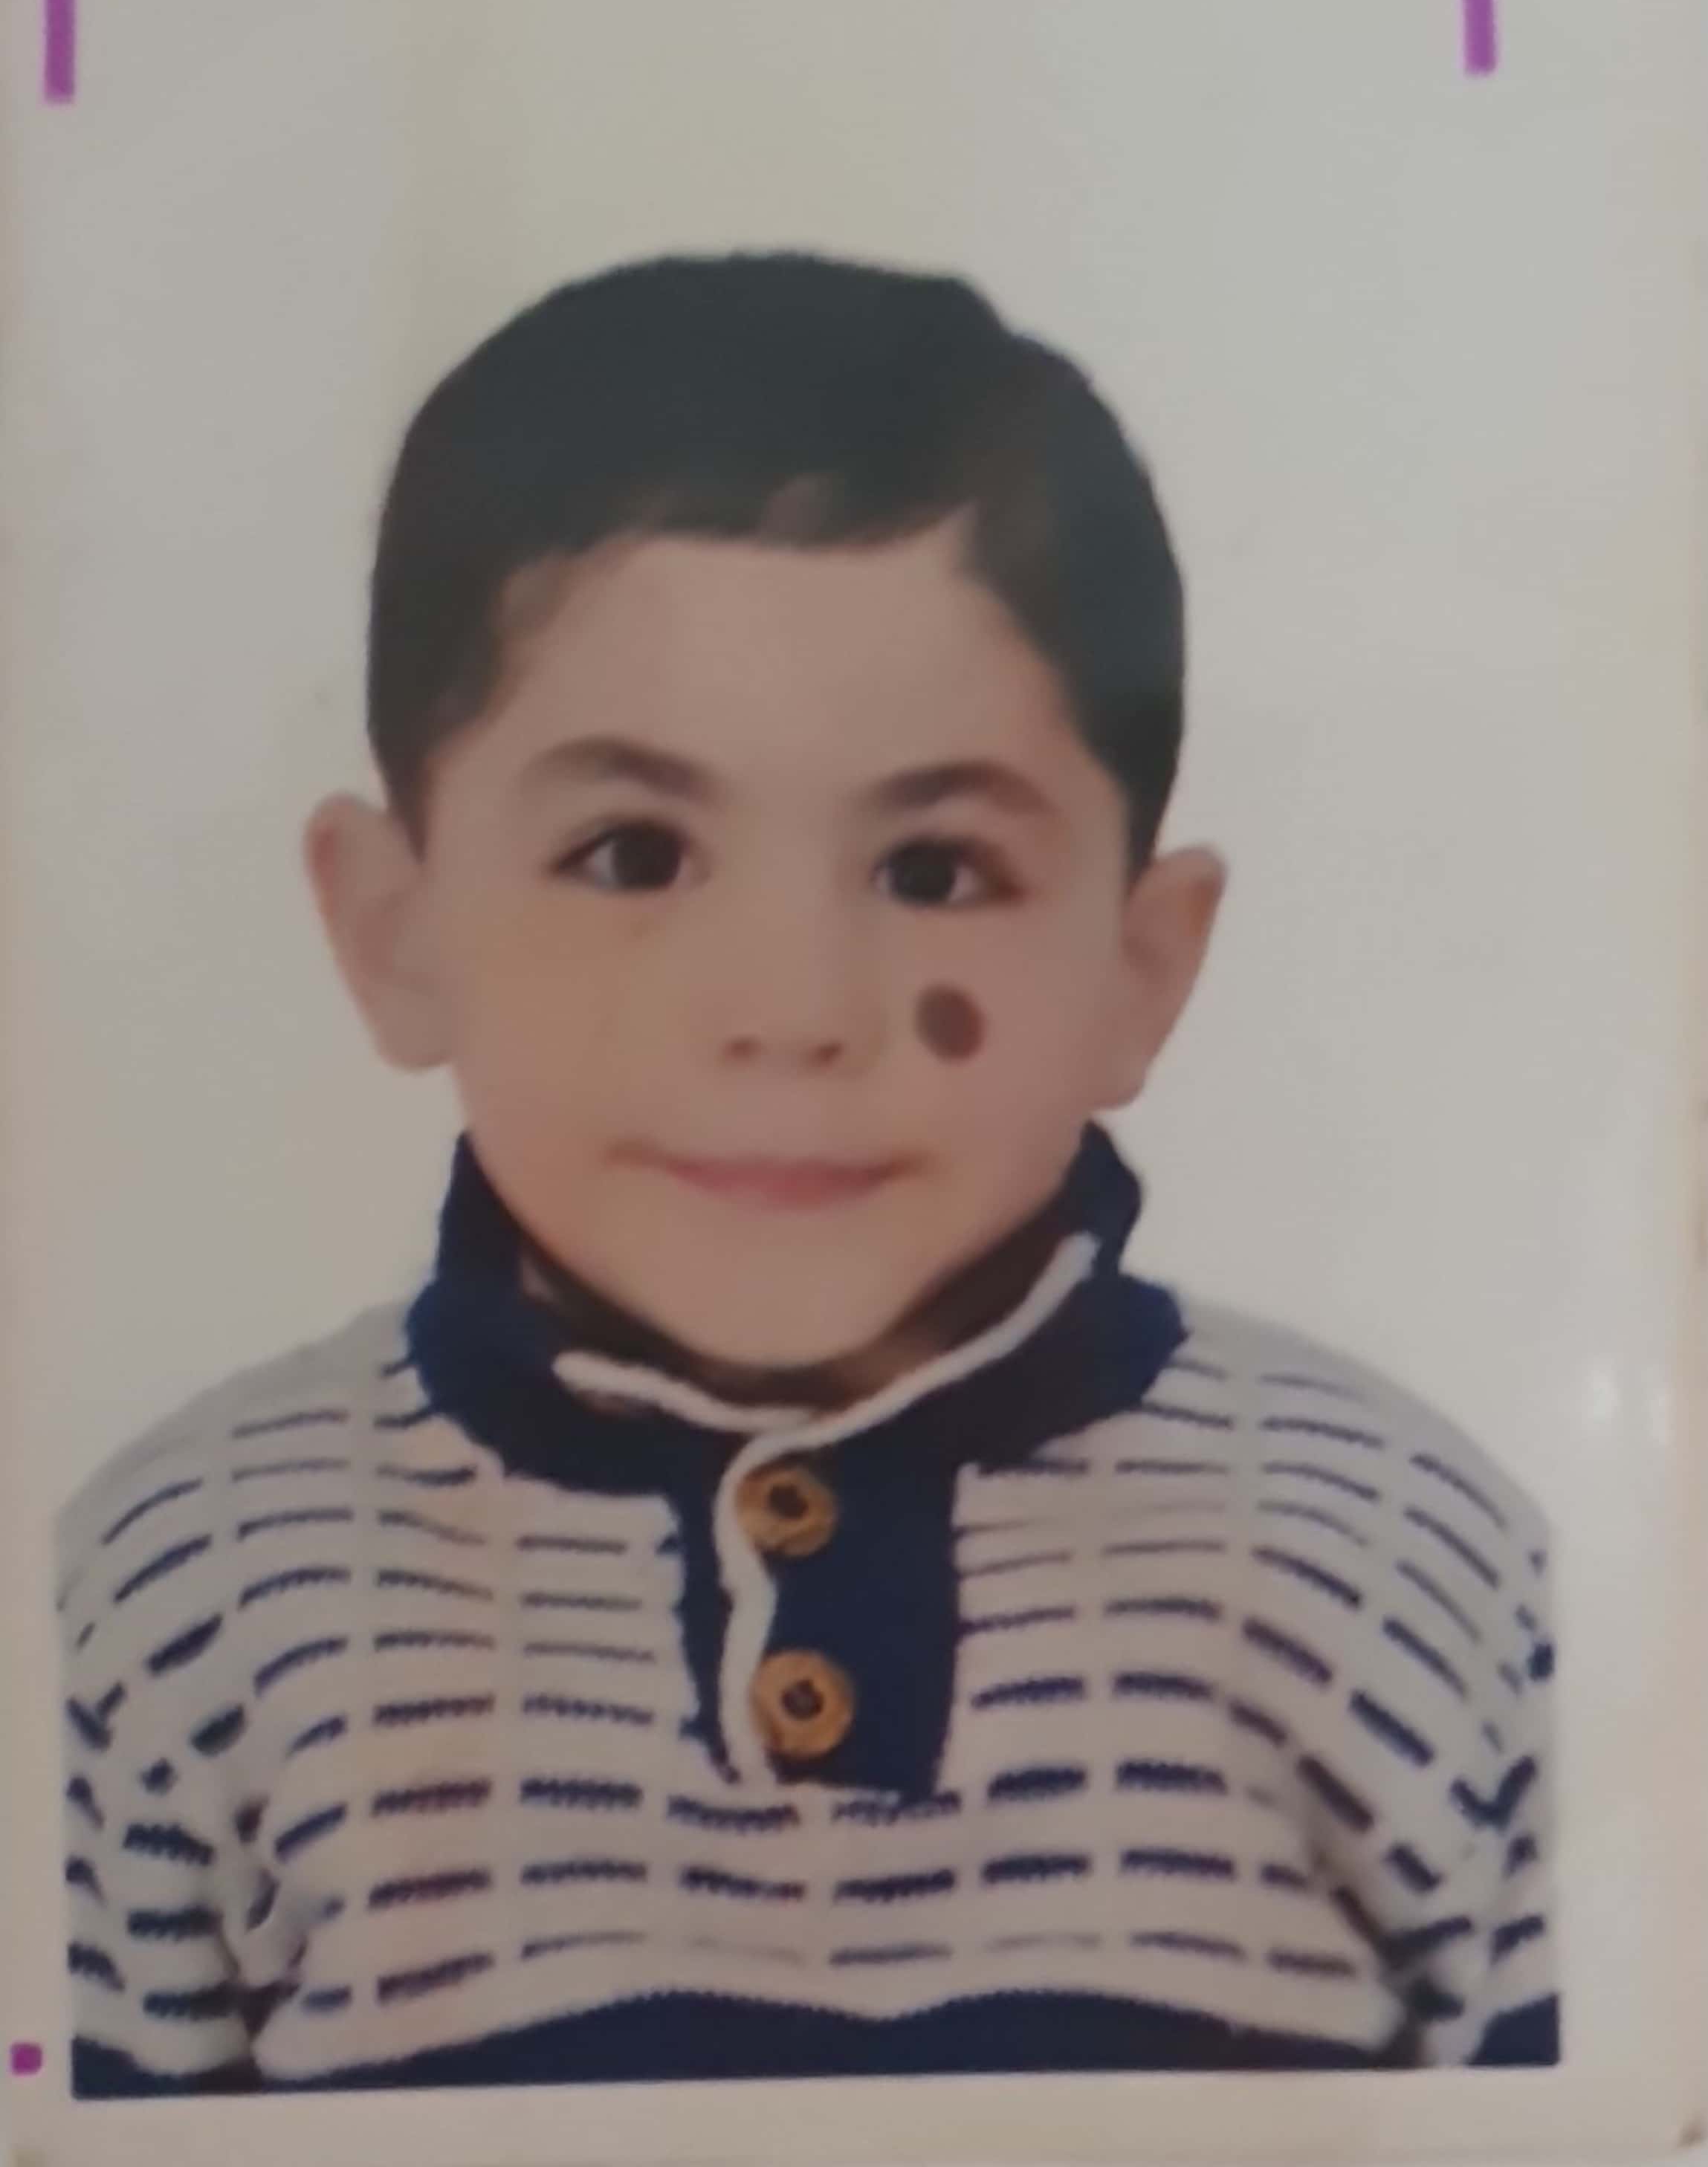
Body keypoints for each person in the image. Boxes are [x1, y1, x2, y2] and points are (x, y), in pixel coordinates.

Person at [56, 251, 1556, 2096]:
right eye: (632, 855)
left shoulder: (1406, 1575)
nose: (789, 1012)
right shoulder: (171, 1614)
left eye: (934, 872)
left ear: (1140, 971)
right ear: (393, 930)